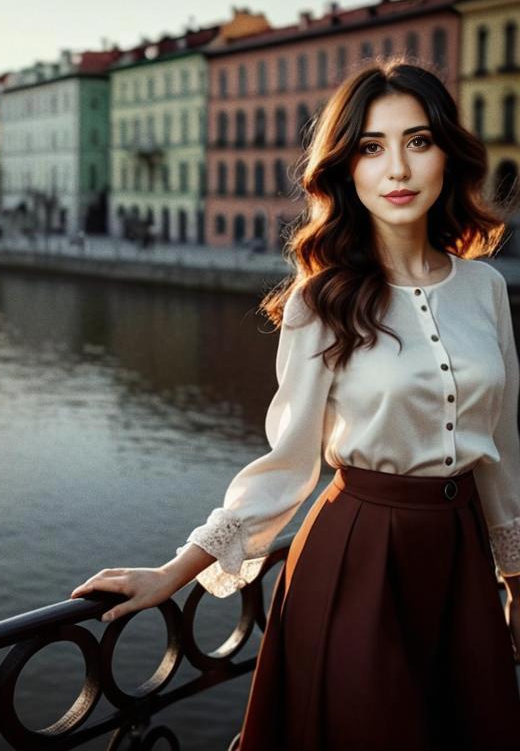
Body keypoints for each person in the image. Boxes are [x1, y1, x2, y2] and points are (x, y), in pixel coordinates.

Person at [70, 57, 520, 751]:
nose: (397, 169)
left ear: (446, 156)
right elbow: (286, 466)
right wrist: (174, 570)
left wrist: (515, 576)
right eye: (371, 147)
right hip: (358, 558)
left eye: (418, 141)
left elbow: (501, 448)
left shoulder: (485, 288)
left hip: (460, 564)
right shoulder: (322, 300)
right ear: (345, 168)